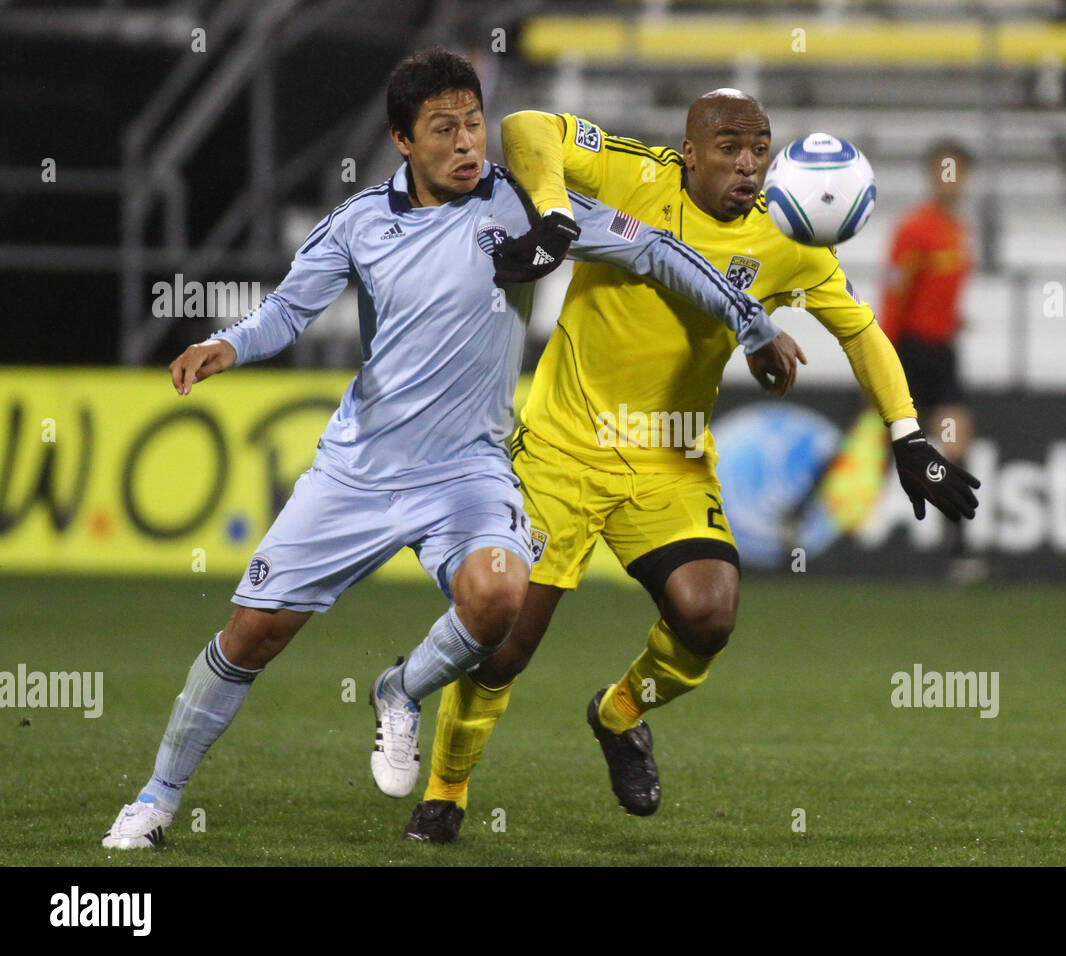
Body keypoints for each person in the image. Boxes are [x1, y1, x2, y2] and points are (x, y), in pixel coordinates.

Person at [101, 50, 800, 850]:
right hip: (357, 471)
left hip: (469, 470)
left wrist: (754, 321)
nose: (468, 143)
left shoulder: (528, 208)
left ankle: (400, 689)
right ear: (402, 140)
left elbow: (656, 250)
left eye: (473, 123)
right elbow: (286, 314)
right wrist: (227, 345)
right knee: (250, 637)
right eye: (444, 129)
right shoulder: (361, 222)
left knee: (501, 598)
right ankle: (155, 802)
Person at [401, 90, 981, 843]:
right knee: (505, 644)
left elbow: (862, 334)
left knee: (709, 613)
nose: (747, 164)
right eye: (730, 147)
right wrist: (553, 213)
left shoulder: (789, 240)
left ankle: (619, 713)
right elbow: (524, 128)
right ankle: (447, 790)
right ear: (689, 152)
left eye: (759, 149)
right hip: (561, 450)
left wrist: (907, 437)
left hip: (669, 459)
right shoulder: (635, 176)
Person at [879, 140, 983, 582]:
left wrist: (954, 319)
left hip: (942, 353)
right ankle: (799, 517)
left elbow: (936, 293)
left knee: (956, 443)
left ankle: (956, 549)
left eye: (957, 171)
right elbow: (895, 294)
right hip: (909, 352)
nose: (951, 179)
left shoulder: (959, 230)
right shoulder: (914, 229)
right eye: (944, 170)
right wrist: (881, 361)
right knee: (873, 442)